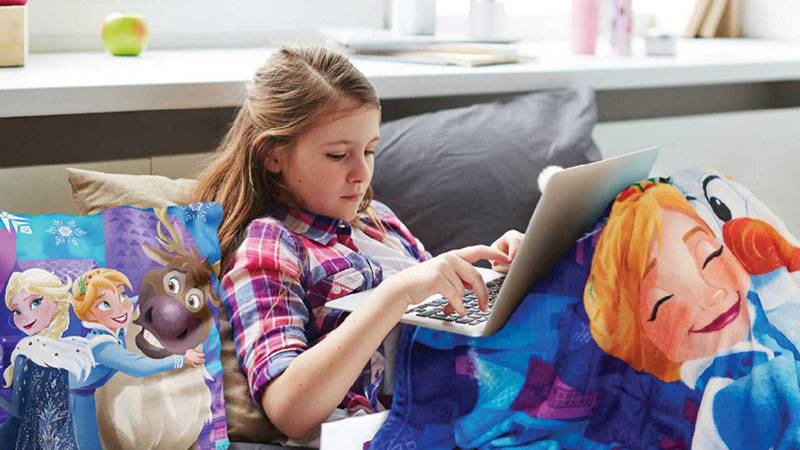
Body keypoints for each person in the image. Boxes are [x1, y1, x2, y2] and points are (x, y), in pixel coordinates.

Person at [193, 46, 523, 442]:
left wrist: (500, 273)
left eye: (369, 150)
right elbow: (288, 409)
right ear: (272, 155)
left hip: (469, 404)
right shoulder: (272, 242)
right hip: (387, 432)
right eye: (338, 155)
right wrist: (394, 295)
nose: (361, 173)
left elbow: (439, 312)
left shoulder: (379, 219)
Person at [584, 180, 800, 449]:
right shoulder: (727, 400)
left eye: (711, 257)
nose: (712, 294)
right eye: (663, 301)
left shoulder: (773, 326)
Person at [68, 268, 205, 450]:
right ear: (89, 314)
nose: (120, 307)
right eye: (105, 304)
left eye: (122, 295)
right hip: (81, 398)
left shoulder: (113, 321)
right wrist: (181, 360)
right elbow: (138, 366)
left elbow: (136, 302)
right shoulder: (101, 346)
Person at [0, 269, 92, 450]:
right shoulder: (76, 353)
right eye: (17, 311)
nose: (25, 315)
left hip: (27, 440)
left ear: (57, 303)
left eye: (35, 302)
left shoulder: (27, 352)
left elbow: (19, 412)